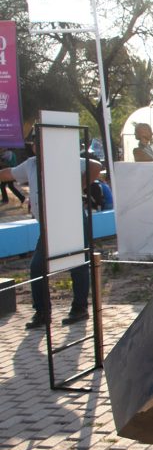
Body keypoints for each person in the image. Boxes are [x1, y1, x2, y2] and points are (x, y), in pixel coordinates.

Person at [0, 133, 103, 329]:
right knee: (37, 267)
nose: (38, 147)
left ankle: (79, 308)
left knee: (78, 262)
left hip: (71, 218)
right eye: (35, 145)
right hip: (49, 224)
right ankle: (42, 313)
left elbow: (95, 167)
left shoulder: (63, 159)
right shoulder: (30, 164)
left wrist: (78, 185)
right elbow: (9, 173)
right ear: (34, 148)